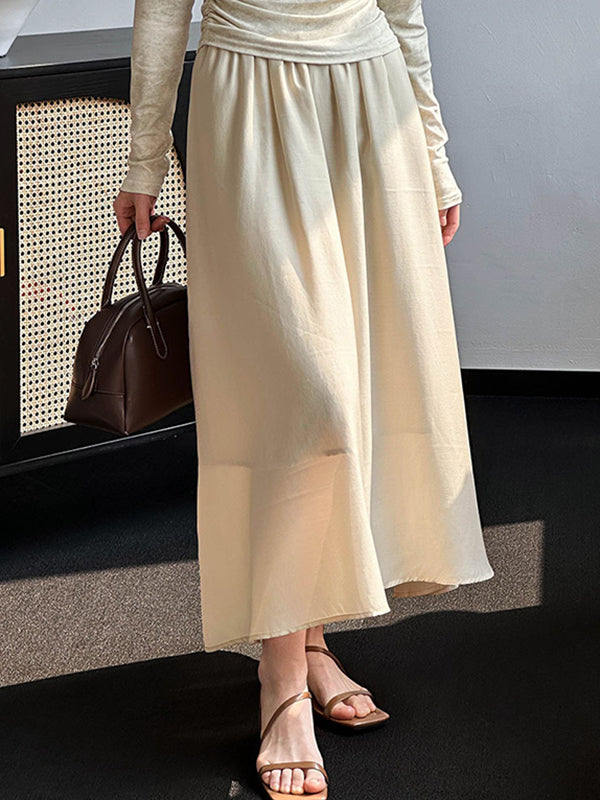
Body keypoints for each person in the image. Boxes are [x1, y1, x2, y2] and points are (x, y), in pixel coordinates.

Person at [113, 0, 495, 796]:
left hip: (370, 100)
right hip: (248, 99)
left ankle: (308, 642)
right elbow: (162, 10)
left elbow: (402, 10)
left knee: (354, 383)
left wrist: (432, 151)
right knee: (302, 397)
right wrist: (145, 157)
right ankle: (280, 676)